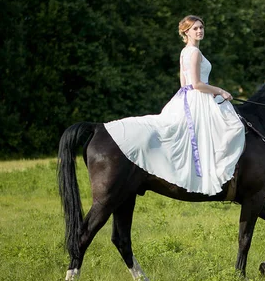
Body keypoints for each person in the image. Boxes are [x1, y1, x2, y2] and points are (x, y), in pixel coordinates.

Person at [104, 15, 246, 195]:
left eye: (201, 27)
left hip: (186, 97)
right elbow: (196, 84)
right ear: (186, 31)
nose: (199, 31)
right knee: (233, 127)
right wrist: (220, 91)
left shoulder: (184, 51)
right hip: (197, 96)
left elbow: (183, 83)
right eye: (195, 28)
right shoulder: (194, 52)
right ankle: (220, 174)